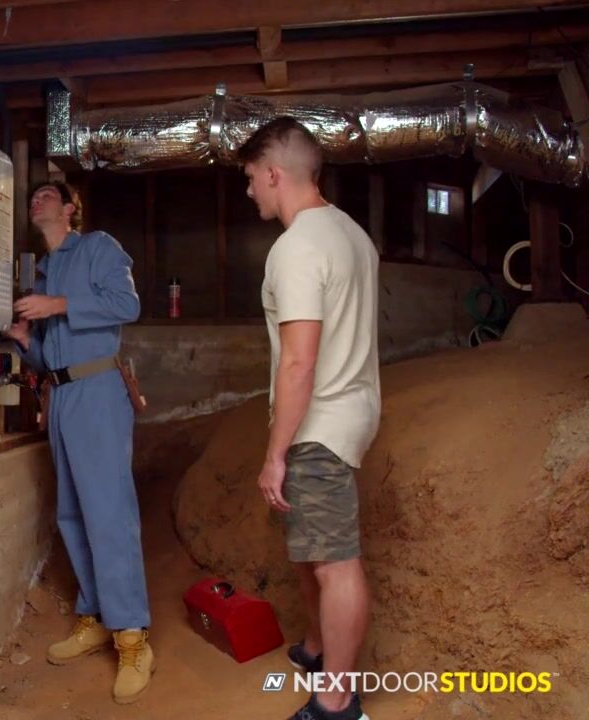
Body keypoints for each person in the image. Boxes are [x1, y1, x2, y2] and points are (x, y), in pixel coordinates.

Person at [237, 117, 380, 720]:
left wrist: (275, 455)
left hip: (320, 423)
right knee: (312, 546)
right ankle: (318, 648)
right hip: (352, 410)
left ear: (275, 174)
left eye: (251, 178)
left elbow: (299, 362)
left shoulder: (296, 248)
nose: (250, 191)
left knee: (334, 562)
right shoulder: (352, 234)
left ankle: (335, 701)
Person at [5, 181, 154, 705]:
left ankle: (133, 637)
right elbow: (48, 356)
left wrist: (60, 304)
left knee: (108, 512)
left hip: (98, 389)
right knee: (73, 512)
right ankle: (95, 615)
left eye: (49, 194)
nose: (38, 199)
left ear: (70, 209)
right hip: (62, 394)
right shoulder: (41, 272)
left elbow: (127, 304)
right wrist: (26, 342)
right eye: (35, 196)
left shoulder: (97, 248)